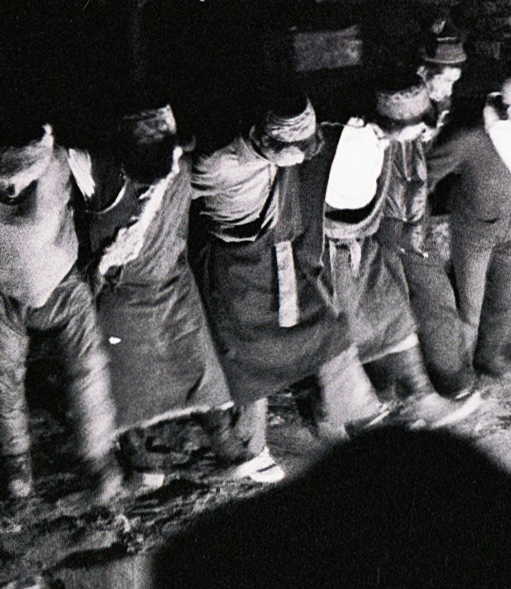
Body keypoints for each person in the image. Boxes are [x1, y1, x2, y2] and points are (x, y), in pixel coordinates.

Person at [190, 88, 386, 484]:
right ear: (267, 144)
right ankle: (249, 449)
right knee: (252, 360)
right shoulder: (216, 166)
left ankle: (356, 412)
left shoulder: (283, 156)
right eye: (297, 149)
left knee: (327, 332)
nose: (305, 156)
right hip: (237, 272)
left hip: (282, 263)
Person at [73, 101, 244, 484]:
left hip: (163, 285)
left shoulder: (109, 173)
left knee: (189, 367)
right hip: (135, 292)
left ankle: (204, 442)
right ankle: (153, 452)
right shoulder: (116, 172)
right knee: (136, 374)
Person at [324, 72, 480, 428]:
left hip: (359, 242)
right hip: (333, 250)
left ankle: (421, 398)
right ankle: (345, 416)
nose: (422, 137)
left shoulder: (382, 141)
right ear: (392, 124)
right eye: (417, 129)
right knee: (341, 333)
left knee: (393, 312)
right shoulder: (351, 146)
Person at [0, 115, 121, 504]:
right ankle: (98, 460)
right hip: (61, 284)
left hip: (4, 294)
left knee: (4, 379)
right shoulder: (56, 165)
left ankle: (17, 467)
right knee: (87, 368)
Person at [427, 71, 511, 380]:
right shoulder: (471, 139)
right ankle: (456, 369)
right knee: (469, 305)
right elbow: (427, 176)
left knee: (508, 298)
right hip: (474, 234)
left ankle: (486, 356)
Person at [418, 18, 468, 141]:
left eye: (453, 82)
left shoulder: (442, 108)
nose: (449, 91)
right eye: (446, 81)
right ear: (422, 72)